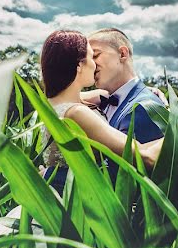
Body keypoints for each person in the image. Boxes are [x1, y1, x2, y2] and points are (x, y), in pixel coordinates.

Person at [40, 30, 164, 191]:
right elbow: (144, 159)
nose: (94, 63)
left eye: (96, 55)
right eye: (91, 57)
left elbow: (102, 95)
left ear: (122, 53)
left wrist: (147, 91)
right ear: (78, 65)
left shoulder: (56, 103)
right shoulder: (77, 112)